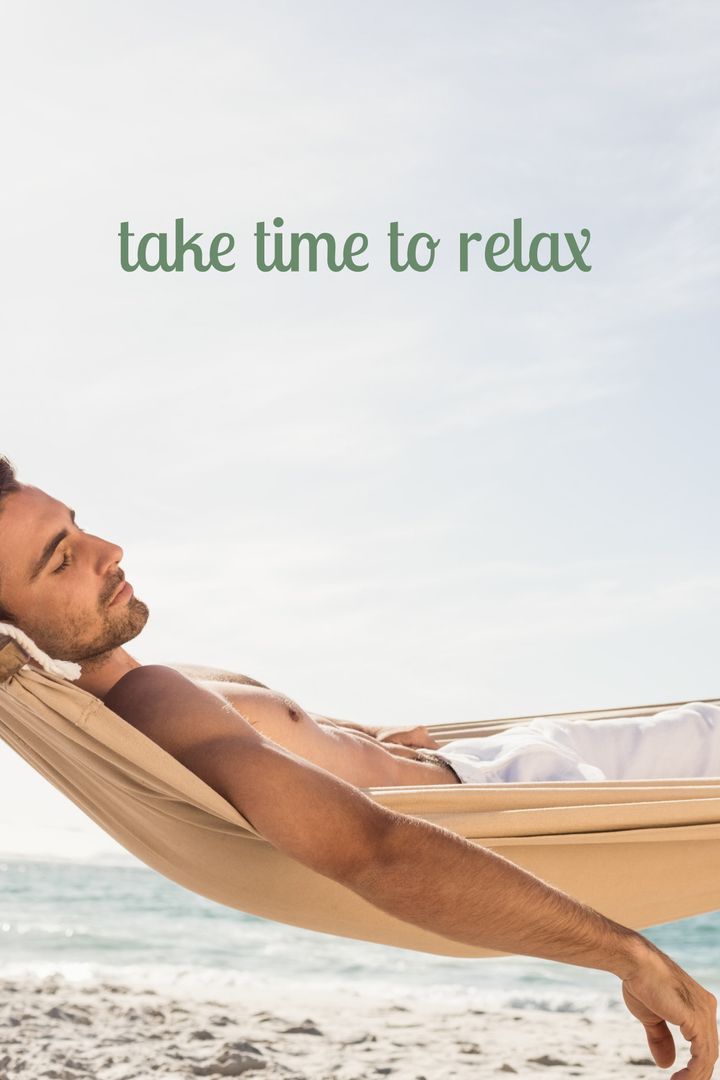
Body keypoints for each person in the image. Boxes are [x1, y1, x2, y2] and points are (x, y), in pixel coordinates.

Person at [0, 456, 717, 1079]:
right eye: (60, 560)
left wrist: (373, 739)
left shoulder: (162, 680)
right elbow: (373, 852)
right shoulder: (153, 705)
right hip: (529, 810)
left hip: (497, 763)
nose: (108, 549)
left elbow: (301, 738)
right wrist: (628, 953)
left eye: (79, 524)